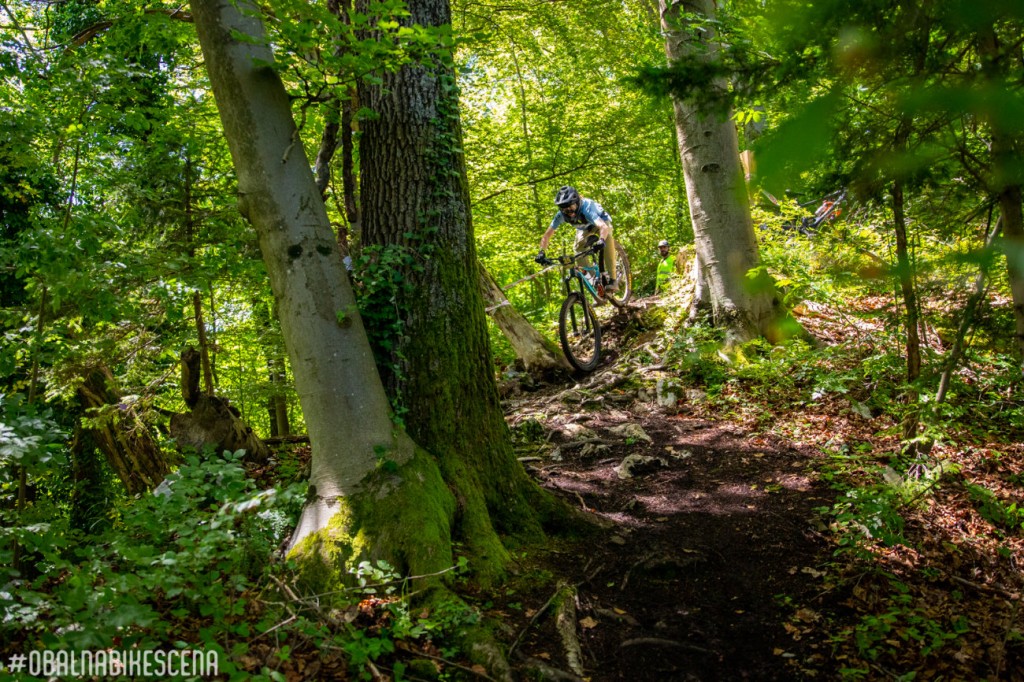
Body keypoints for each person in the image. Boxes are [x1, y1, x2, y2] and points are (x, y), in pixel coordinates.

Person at [535, 186, 619, 292]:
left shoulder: (586, 209)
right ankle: (596, 282)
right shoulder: (561, 215)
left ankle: (613, 279)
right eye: (564, 209)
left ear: (577, 202)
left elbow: (603, 227)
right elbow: (547, 235)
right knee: (578, 253)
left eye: (571, 207)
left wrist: (601, 240)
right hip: (584, 228)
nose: (569, 211)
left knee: (607, 239)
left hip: (601, 222)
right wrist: (541, 252)